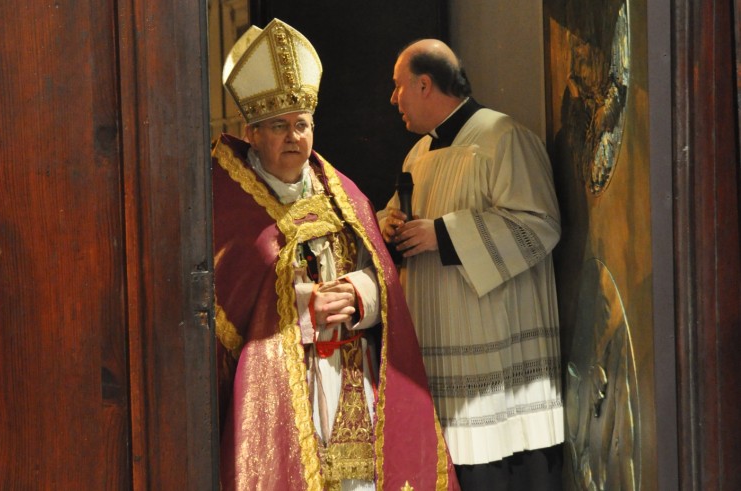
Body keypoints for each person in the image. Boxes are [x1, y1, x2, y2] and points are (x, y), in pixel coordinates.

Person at [213, 20, 459, 491]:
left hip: (350, 373)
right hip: (287, 385)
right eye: (279, 126)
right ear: (251, 133)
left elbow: (381, 275)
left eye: (302, 124)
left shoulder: (341, 192)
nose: (293, 137)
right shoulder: (229, 204)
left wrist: (359, 294)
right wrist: (303, 306)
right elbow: (226, 305)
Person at [379, 39, 564, 490]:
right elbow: (400, 220)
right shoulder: (417, 156)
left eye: (398, 86)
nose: (392, 99)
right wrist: (389, 225)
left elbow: (538, 225)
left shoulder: (502, 136)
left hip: (496, 355)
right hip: (439, 345)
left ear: (425, 85)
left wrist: (441, 234)